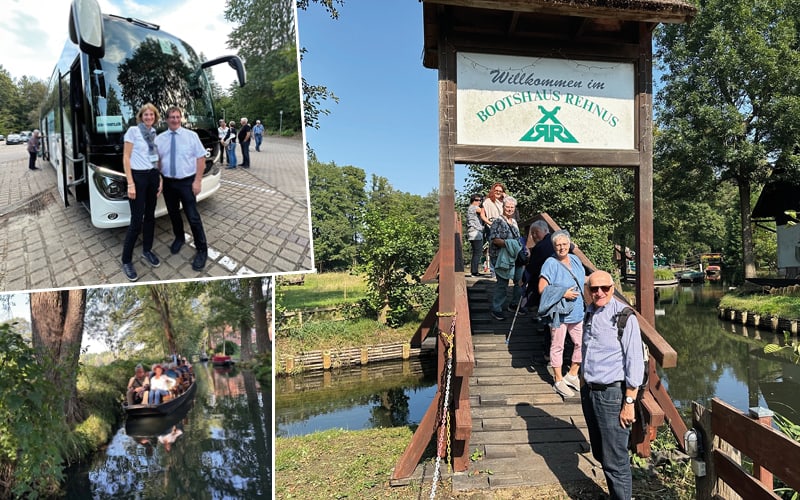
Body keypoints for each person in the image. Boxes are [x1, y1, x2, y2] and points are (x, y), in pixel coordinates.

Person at [581, 270, 645, 500]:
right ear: (588, 290)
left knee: (615, 458)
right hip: (589, 392)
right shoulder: (589, 312)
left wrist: (629, 401)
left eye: (605, 288)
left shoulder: (625, 317)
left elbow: (635, 362)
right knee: (599, 451)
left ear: (612, 287)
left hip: (611, 394)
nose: (599, 293)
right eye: (594, 289)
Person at [155, 106, 209, 271]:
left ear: (181, 118)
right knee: (173, 213)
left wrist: (198, 181)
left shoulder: (191, 136)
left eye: (178, 117)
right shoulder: (159, 139)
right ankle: (179, 237)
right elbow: (157, 161)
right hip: (168, 183)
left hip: (187, 182)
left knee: (192, 216)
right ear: (166, 120)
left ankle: (202, 250)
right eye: (172, 117)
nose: (175, 120)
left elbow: (201, 159)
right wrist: (159, 179)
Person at [538, 230, 585, 398]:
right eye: (558, 245)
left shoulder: (575, 260)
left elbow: (583, 280)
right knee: (558, 346)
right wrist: (563, 293)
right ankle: (558, 380)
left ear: (569, 245)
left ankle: (572, 374)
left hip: (578, 311)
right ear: (554, 246)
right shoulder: (550, 263)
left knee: (582, 343)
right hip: (560, 312)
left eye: (565, 244)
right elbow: (542, 288)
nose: (562, 247)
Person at [121, 103, 163, 282]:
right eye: (146, 115)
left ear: (155, 117)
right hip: (137, 178)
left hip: (153, 176)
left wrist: (160, 178)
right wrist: (130, 183)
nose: (148, 117)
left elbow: (156, 159)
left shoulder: (154, 133)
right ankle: (126, 260)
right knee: (136, 221)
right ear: (141, 116)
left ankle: (147, 250)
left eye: (151, 115)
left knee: (150, 217)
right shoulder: (133, 131)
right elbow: (126, 157)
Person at [489, 196, 524, 320]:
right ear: (503, 207)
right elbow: (495, 240)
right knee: (502, 283)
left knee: (520, 280)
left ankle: (514, 304)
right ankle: (496, 308)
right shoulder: (498, 221)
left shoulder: (514, 222)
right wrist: (512, 245)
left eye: (512, 207)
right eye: (507, 207)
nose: (509, 209)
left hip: (514, 256)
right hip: (501, 257)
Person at [466, 193, 485, 277]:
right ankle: (474, 272)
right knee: (477, 253)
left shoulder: (470, 208)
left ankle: (474, 271)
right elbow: (483, 211)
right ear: (472, 200)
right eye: (477, 200)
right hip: (475, 232)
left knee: (476, 253)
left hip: (473, 232)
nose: (479, 202)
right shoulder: (473, 208)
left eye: (480, 200)